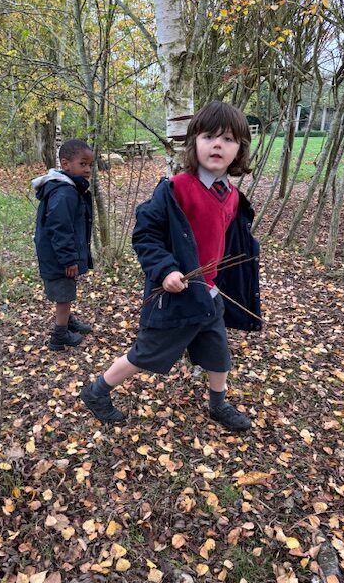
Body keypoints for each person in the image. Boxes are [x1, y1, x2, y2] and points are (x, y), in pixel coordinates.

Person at [80, 101, 261, 430]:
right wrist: (165, 269)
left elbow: (226, 242)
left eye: (229, 139)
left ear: (240, 150)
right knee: (146, 354)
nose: (218, 144)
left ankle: (218, 405)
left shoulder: (232, 195)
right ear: (194, 143)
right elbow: (145, 234)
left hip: (210, 293)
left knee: (218, 353)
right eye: (209, 136)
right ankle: (96, 391)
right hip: (175, 295)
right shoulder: (176, 189)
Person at [33, 139, 95, 351]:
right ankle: (59, 335)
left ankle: (67, 321)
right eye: (83, 164)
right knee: (64, 294)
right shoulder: (64, 192)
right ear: (66, 164)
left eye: (90, 165)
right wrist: (69, 259)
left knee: (66, 291)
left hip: (58, 253)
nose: (87, 170)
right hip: (58, 256)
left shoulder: (68, 188)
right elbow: (60, 228)